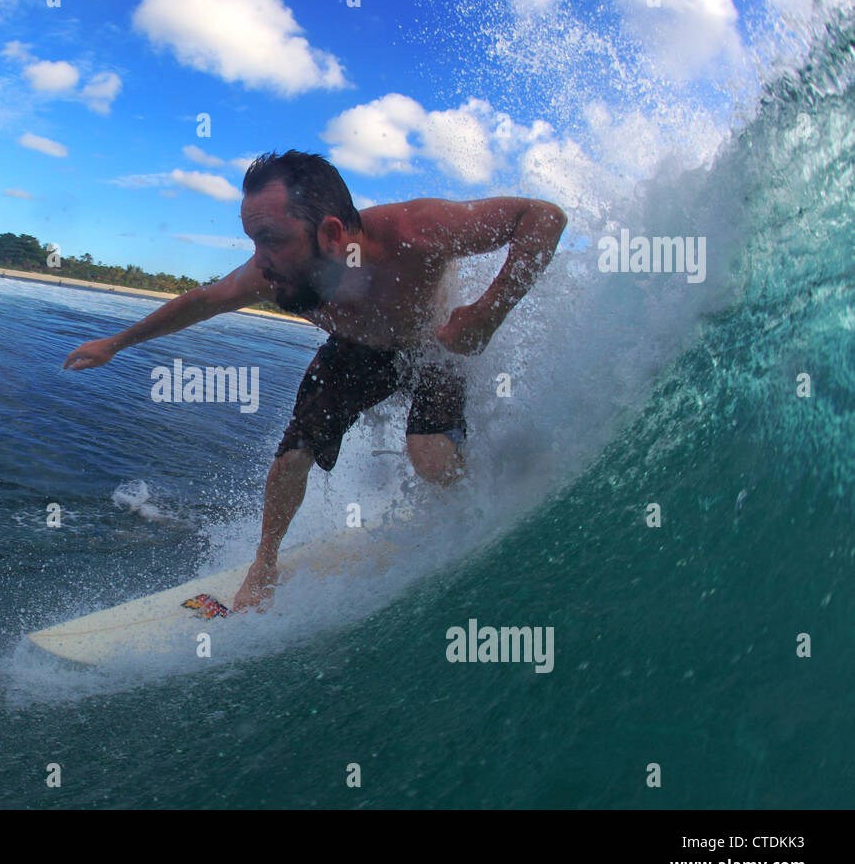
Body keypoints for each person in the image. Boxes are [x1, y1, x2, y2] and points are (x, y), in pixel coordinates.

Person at [64, 150, 566, 611]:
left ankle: (472, 514)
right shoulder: (270, 274)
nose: (259, 258)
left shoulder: (414, 231)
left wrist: (486, 313)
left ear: (330, 233)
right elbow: (201, 301)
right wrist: (114, 344)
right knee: (291, 459)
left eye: (271, 239)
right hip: (358, 350)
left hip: (434, 344)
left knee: (430, 455)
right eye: (252, 240)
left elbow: (541, 217)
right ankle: (264, 565)